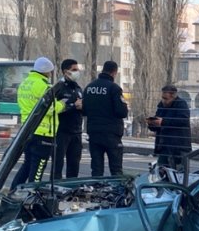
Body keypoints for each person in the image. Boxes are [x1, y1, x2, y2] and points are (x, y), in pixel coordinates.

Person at [10, 57, 70, 189]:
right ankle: (31, 195)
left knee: (27, 165)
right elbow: (50, 109)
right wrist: (64, 105)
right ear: (47, 71)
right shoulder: (44, 86)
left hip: (27, 131)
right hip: (43, 133)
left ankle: (13, 191)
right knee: (37, 169)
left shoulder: (25, 83)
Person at [83, 61, 128, 176]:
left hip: (94, 132)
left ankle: (97, 191)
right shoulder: (114, 89)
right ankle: (118, 192)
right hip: (111, 134)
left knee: (97, 169)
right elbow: (121, 112)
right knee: (116, 169)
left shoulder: (89, 87)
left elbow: (84, 110)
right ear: (114, 72)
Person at [51, 59, 84, 179]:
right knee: (57, 165)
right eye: (74, 70)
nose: (77, 72)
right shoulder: (58, 88)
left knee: (74, 165)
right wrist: (72, 106)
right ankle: (55, 189)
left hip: (76, 132)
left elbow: (81, 108)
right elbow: (54, 108)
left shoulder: (78, 88)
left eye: (77, 69)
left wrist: (82, 107)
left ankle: (71, 191)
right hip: (61, 132)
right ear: (66, 72)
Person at [147, 85, 191, 170]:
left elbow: (182, 121)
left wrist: (163, 122)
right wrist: (152, 123)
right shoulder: (162, 105)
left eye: (166, 98)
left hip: (179, 147)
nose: (163, 101)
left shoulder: (181, 104)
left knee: (179, 174)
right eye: (163, 98)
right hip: (164, 146)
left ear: (173, 96)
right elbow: (159, 120)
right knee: (161, 171)